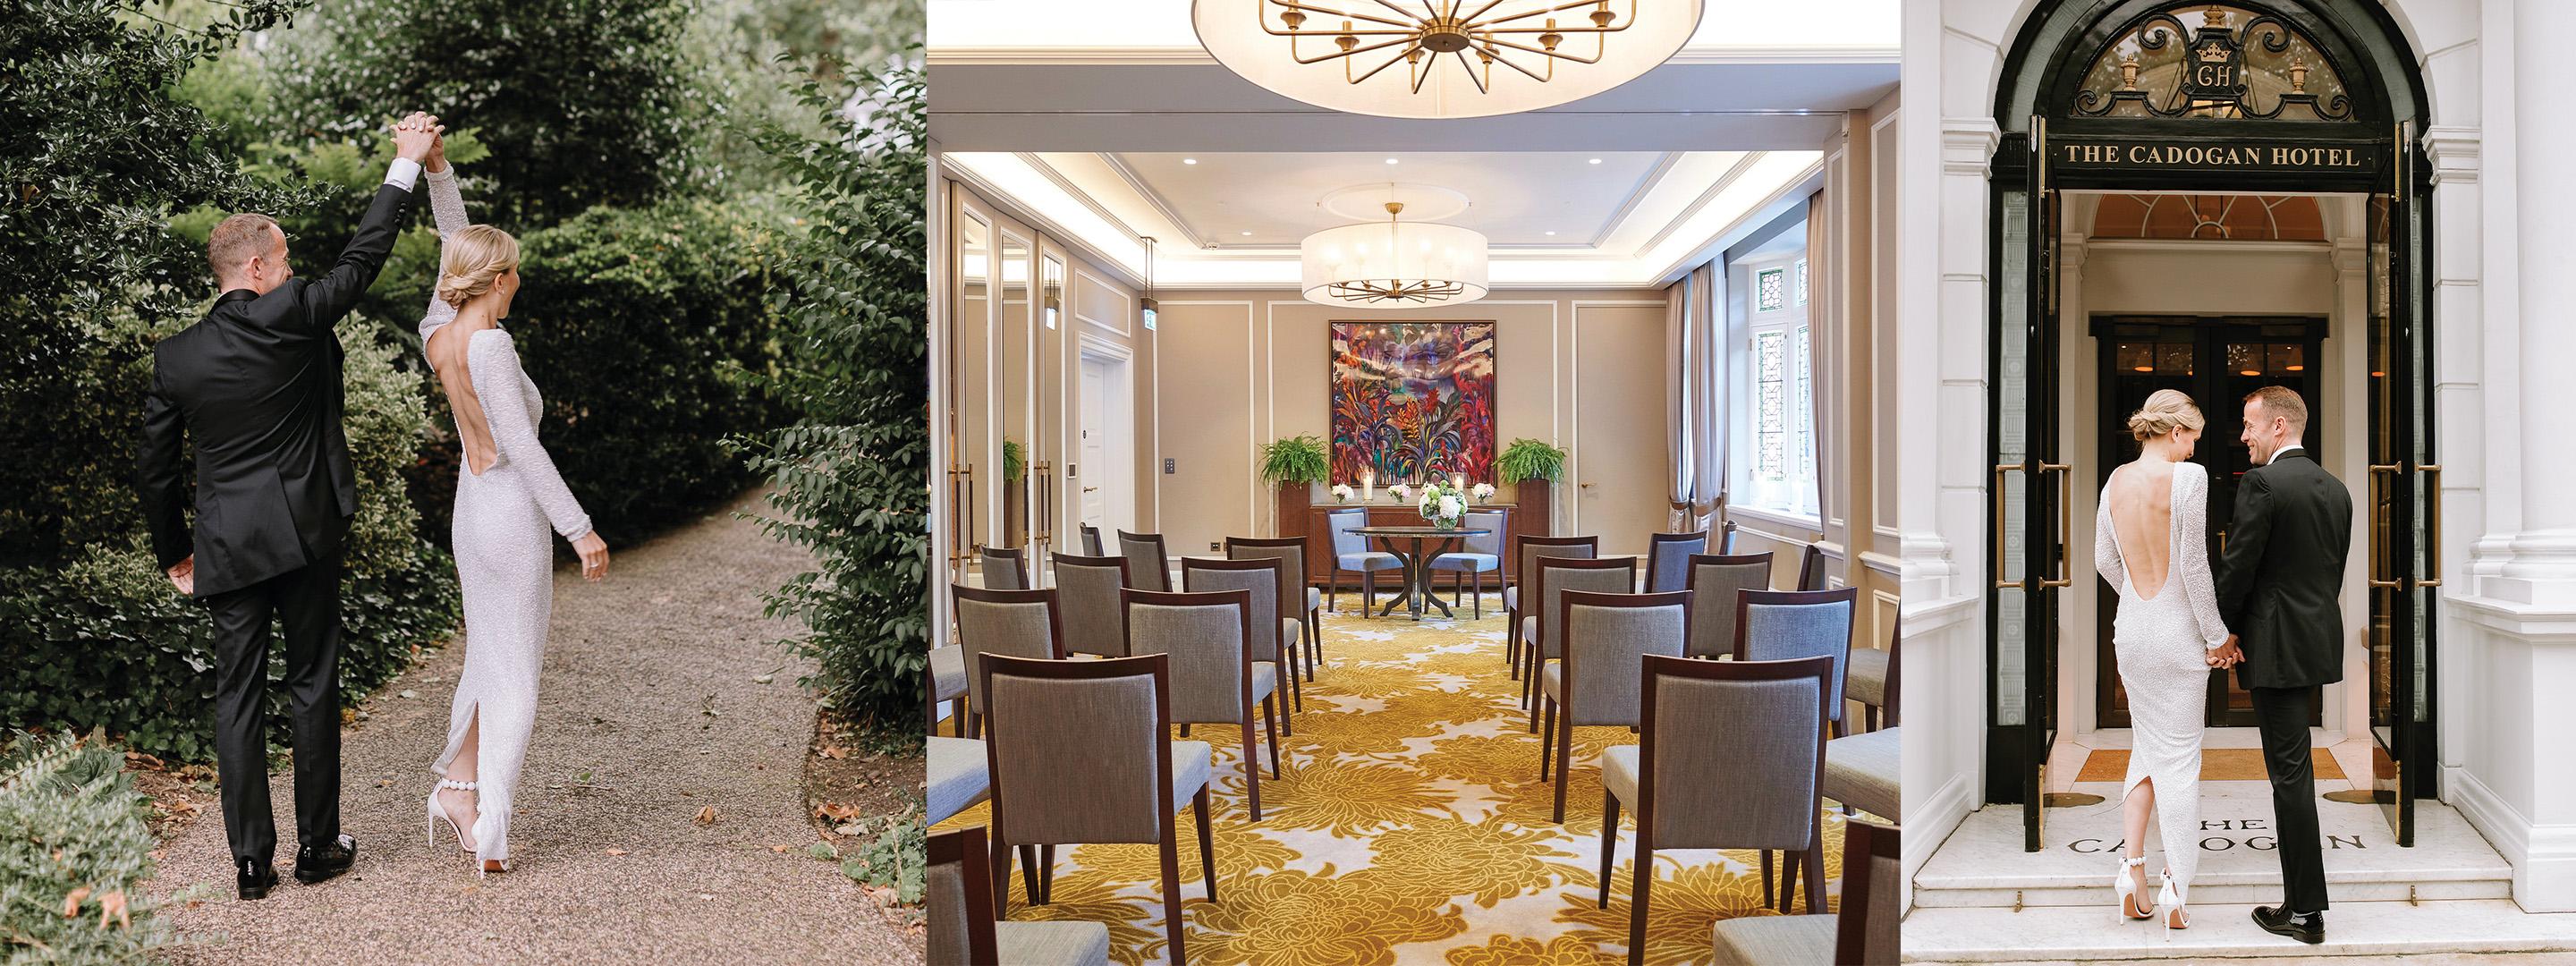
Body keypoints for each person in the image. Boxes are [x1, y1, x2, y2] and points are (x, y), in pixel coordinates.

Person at [137, 111, 441, 901]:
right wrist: (403, 166)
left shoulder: (177, 357)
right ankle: (317, 849)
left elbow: (155, 469)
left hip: (228, 547)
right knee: (312, 681)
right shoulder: (295, 310)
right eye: (286, 258)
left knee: (234, 697)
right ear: (263, 266)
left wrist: (175, 549)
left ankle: (248, 864)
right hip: (305, 533)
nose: (293, 267)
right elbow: (363, 257)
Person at [414, 126, 612, 877]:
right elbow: (525, 449)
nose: (519, 282)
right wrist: (580, 528)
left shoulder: (441, 337)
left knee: (487, 657)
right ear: (497, 279)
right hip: (509, 516)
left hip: (472, 512)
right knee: (516, 671)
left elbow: (454, 243)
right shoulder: (493, 348)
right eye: (514, 273)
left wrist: (439, 171)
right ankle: (492, 826)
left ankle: (459, 794)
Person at [2213, 385, 2352, 945]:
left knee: (2289, 776)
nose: (2242, 436)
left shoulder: (2263, 484)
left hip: (2274, 648)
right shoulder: (2337, 490)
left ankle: (2304, 911)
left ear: (2277, 427)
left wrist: (2221, 631)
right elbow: (2327, 575)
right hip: (2313, 644)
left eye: (2249, 425)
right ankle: (2302, 904)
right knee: (2294, 771)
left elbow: (2239, 565)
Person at [2094, 389, 2231, 930]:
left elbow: (2105, 558)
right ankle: (2176, 884)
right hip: (2177, 634)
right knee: (2180, 759)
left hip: (2133, 631)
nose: (2197, 447)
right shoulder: (2188, 480)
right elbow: (2195, 568)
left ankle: (2131, 869)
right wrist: (2217, 636)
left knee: (2147, 749)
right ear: (2175, 432)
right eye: (2194, 435)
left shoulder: (2114, 482)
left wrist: (2133, 597)